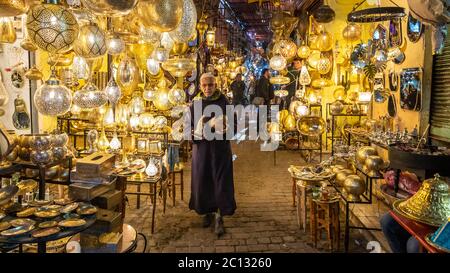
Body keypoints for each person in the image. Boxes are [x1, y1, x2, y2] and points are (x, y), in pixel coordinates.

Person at [189, 73, 236, 237]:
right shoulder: (195, 103)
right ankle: (207, 212)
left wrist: (222, 127)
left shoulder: (224, 102)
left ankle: (219, 217)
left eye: (210, 85)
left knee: (220, 182)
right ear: (200, 86)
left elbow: (233, 125)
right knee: (203, 181)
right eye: (204, 85)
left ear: (215, 85)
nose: (207, 88)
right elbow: (189, 126)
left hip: (220, 150)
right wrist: (195, 133)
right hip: (201, 151)